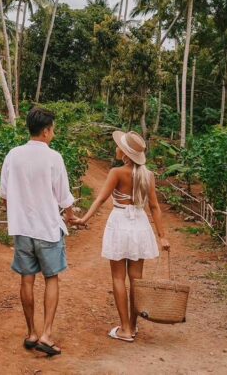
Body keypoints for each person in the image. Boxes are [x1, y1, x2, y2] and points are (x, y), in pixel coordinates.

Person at [70, 130, 170, 343]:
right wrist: (162, 236)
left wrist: (84, 219)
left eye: (119, 146)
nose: (116, 148)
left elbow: (100, 199)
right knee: (136, 279)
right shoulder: (148, 175)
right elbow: (154, 207)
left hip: (120, 223)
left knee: (118, 277)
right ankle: (133, 326)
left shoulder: (117, 172)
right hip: (140, 225)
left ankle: (124, 328)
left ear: (125, 152)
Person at [0, 106, 75, 357]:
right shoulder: (54, 158)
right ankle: (47, 334)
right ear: (45, 131)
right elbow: (64, 198)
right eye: (52, 129)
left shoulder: (13, 155)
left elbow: (5, 195)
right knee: (51, 278)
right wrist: (72, 217)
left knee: (26, 278)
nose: (53, 133)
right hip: (48, 228)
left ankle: (31, 332)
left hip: (22, 228)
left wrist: (19, 211)